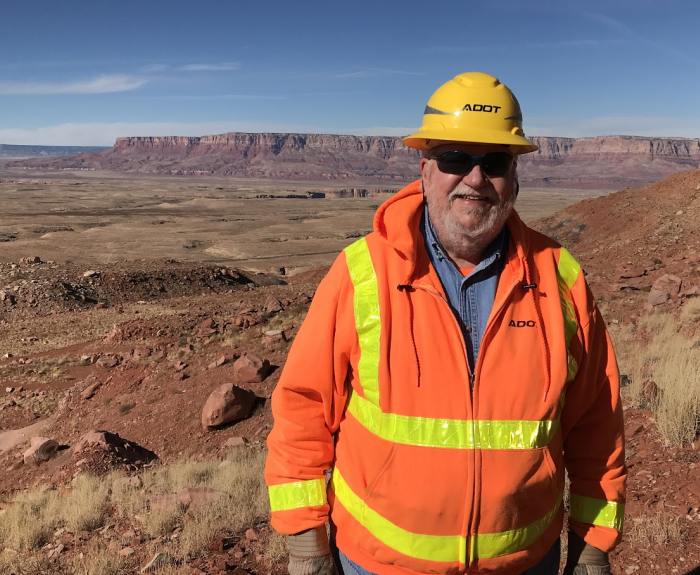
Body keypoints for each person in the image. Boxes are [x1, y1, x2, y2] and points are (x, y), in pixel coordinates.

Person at [265, 72, 626, 575]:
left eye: (494, 162)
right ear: (426, 170)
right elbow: (303, 416)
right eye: (455, 158)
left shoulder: (560, 278)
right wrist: (306, 545)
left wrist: (592, 547)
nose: (475, 179)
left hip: (523, 562)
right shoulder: (360, 273)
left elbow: (596, 426)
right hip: (380, 563)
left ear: (515, 176)